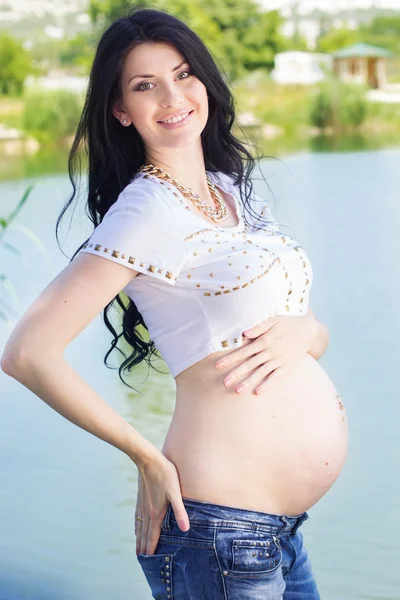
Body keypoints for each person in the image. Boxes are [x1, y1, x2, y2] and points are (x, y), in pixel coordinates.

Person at [0, 7, 349, 599]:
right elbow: (28, 352)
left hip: (274, 535)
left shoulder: (228, 189)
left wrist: (306, 332)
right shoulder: (144, 210)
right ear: (121, 111)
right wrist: (146, 457)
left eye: (184, 74)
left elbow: (297, 326)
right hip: (218, 534)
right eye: (144, 85)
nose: (172, 95)